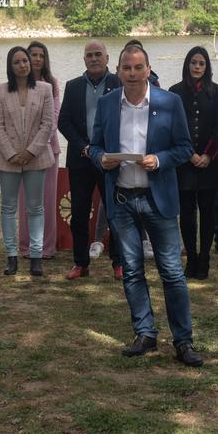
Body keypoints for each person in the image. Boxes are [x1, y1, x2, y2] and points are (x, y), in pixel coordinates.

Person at [90, 43, 203, 367]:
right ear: (118, 71)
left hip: (158, 199)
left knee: (171, 272)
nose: (132, 73)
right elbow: (95, 146)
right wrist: (102, 159)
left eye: (138, 68)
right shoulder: (109, 103)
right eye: (127, 68)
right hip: (123, 200)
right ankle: (145, 333)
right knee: (132, 271)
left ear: (148, 70)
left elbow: (184, 148)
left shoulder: (169, 102)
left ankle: (183, 341)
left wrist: (161, 159)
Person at [57, 40, 123, 280]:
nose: (94, 59)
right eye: (89, 55)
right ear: (84, 59)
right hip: (81, 158)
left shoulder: (119, 83)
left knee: (116, 211)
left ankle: (118, 262)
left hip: (110, 159)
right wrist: (83, 147)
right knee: (79, 211)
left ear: (107, 58)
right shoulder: (72, 86)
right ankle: (80, 263)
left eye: (98, 54)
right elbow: (63, 121)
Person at [0, 46, 56, 277]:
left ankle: (36, 257)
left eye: (25, 61)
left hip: (37, 158)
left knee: (35, 207)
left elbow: (47, 124)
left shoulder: (45, 89)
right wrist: (11, 154)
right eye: (17, 62)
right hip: (7, 160)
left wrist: (30, 152)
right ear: (10, 66)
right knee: (8, 208)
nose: (23, 65)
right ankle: (11, 256)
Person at [169, 46, 218, 280]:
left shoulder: (216, 92)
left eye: (201, 63)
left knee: (208, 211)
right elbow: (173, 127)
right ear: (187, 64)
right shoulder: (174, 92)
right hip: (185, 162)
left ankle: (204, 258)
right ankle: (191, 258)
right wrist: (188, 154)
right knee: (186, 213)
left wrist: (207, 155)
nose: (197, 67)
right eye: (194, 63)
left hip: (210, 162)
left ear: (207, 67)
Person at [17, 41, 62, 261]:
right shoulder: (17, 83)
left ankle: (46, 247)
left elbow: (53, 119)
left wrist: (37, 145)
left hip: (48, 150)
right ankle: (26, 246)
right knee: (25, 201)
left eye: (40, 55)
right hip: (22, 152)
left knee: (47, 200)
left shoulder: (52, 84)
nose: (36, 59)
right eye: (32, 55)